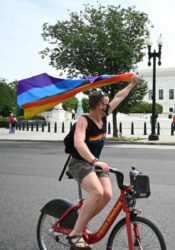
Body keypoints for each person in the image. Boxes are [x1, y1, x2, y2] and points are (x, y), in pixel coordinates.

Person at [66, 74, 140, 249]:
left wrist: (131, 84)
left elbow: (119, 97)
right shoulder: (83, 121)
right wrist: (95, 161)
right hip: (79, 163)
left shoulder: (104, 116)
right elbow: (78, 143)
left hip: (95, 163)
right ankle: (75, 234)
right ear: (100, 105)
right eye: (107, 103)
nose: (109, 105)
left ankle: (82, 221)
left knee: (107, 194)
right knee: (97, 192)